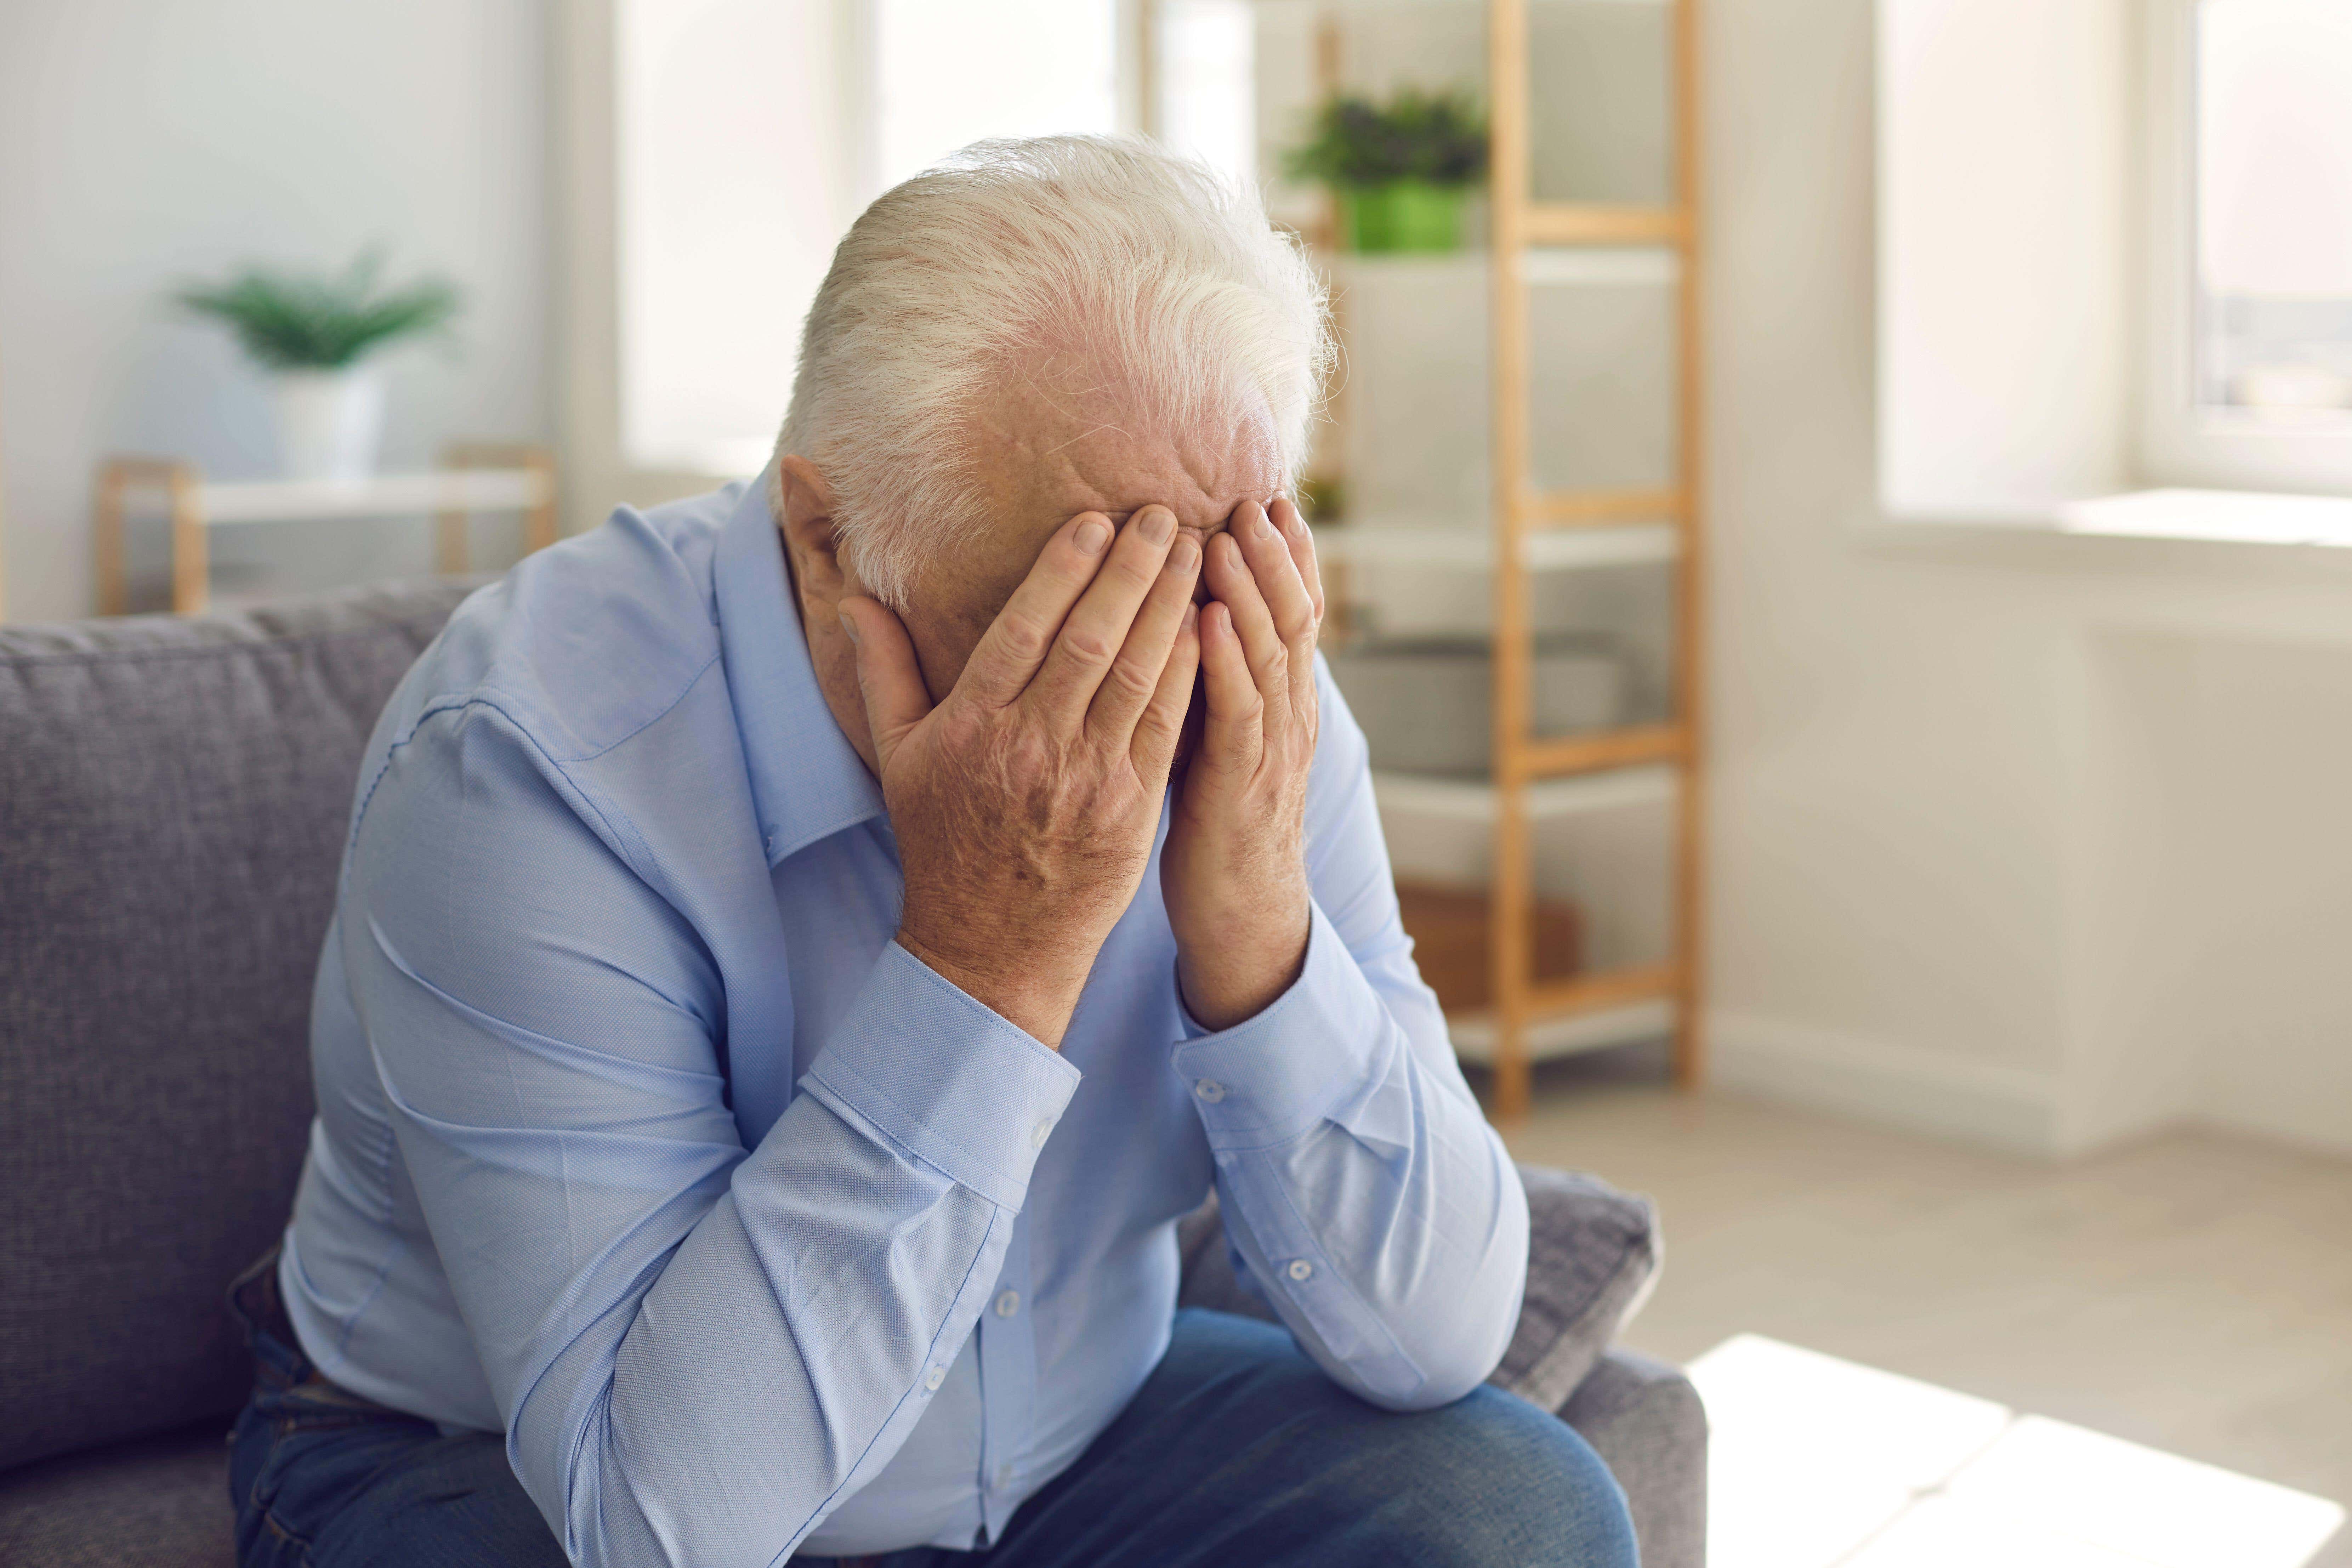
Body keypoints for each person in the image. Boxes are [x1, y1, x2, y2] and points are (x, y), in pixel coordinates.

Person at [227, 135, 1637, 1568]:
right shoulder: (527, 756)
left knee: (1514, 1511)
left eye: (1204, 582)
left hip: (1067, 1431)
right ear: (825, 534)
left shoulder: (1243, 671)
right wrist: (986, 953)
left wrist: (1257, 915)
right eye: (1066, 623)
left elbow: (1436, 1338)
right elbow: (656, 1523)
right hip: (512, 1467)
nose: (1145, 696)